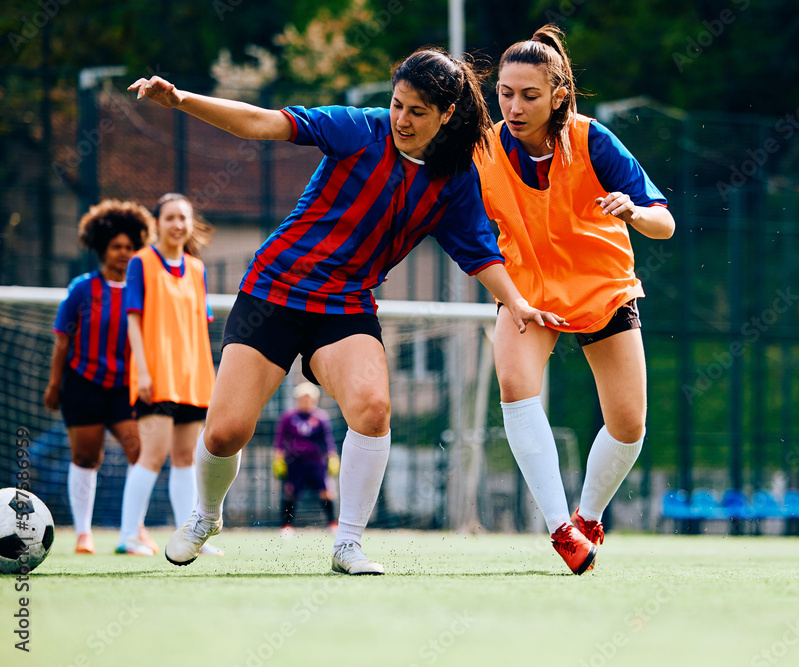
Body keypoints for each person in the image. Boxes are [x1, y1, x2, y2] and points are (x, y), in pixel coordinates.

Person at [128, 47, 564, 575]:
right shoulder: (359, 128)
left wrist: (516, 302)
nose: (402, 119)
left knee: (373, 407)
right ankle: (205, 515)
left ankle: (349, 543)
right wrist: (181, 100)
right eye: (398, 104)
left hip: (344, 305)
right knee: (223, 434)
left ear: (446, 115)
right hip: (273, 291)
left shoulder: (454, 179)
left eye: (418, 111)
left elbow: (479, 252)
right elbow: (263, 124)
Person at [474, 25, 676, 574]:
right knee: (516, 388)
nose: (514, 107)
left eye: (530, 95)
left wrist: (633, 211)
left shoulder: (593, 140)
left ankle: (588, 516)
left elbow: (665, 222)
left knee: (629, 425)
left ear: (558, 95)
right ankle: (561, 529)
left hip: (603, 289)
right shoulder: (484, 147)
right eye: (505, 94)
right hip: (527, 292)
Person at [43, 200, 153, 555]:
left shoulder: (143, 291)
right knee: (87, 458)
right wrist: (55, 385)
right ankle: (83, 533)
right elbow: (62, 341)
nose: (123, 253)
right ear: (102, 248)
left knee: (142, 453)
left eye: (129, 247)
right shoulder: (82, 289)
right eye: (116, 247)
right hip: (83, 384)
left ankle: (135, 529)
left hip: (127, 388)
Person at [118, 193, 223, 557]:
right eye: (171, 218)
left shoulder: (197, 269)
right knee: (152, 455)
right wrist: (143, 372)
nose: (178, 224)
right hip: (156, 376)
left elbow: (197, 324)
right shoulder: (140, 263)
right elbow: (133, 319)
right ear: (157, 223)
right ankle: (129, 535)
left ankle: (189, 537)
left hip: (192, 377)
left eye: (184, 218)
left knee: (186, 459)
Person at [273, 382, 340, 536]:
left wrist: (332, 456)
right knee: (290, 492)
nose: (306, 401)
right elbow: (280, 440)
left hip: (316, 462)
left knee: (326, 492)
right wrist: (278, 457)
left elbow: (327, 440)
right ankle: (286, 526)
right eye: (303, 398)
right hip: (294, 462)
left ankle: (333, 524)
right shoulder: (288, 417)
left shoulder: (321, 418)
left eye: (309, 398)